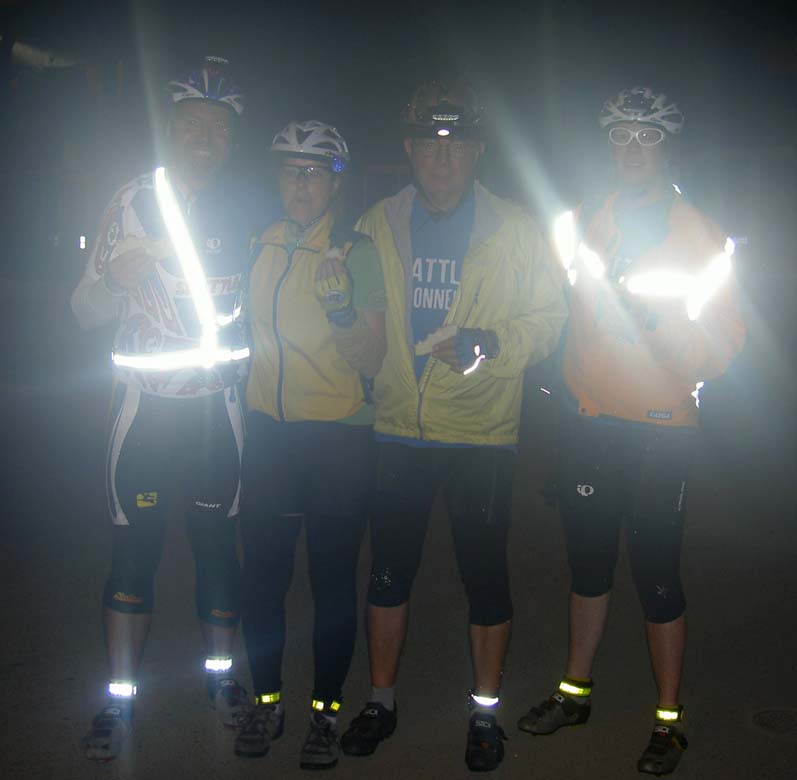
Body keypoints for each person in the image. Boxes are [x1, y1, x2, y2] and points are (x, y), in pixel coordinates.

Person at [339, 79, 567, 772]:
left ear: (477, 151)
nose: (442, 158)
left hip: (480, 431)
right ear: (409, 149)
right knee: (386, 575)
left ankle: (484, 712)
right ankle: (380, 701)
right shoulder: (375, 222)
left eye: (456, 144)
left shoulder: (516, 227)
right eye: (429, 144)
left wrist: (491, 342)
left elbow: (549, 320)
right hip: (398, 426)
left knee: (486, 578)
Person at [516, 86, 746, 775]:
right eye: (620, 136)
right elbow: (550, 306)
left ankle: (668, 721)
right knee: (587, 568)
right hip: (589, 422)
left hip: (661, 431)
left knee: (656, 576)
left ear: (668, 149)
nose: (632, 150)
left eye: (647, 137)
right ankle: (574, 692)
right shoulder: (580, 222)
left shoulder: (703, 238)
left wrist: (648, 318)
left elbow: (718, 352)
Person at [73, 56, 276, 763]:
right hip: (145, 416)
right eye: (192, 124)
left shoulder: (249, 204)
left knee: (219, 552)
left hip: (219, 415)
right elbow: (82, 310)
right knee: (134, 557)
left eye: (218, 127)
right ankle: (119, 699)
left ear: (232, 137)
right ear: (169, 128)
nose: (205, 139)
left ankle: (221, 685)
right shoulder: (132, 201)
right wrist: (113, 283)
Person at [233, 120, 387, 770]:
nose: (302, 183)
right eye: (291, 170)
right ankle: (267, 700)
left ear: (335, 183)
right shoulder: (256, 245)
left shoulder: (355, 251)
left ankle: (324, 711)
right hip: (268, 432)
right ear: (277, 178)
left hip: (335, 438)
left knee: (330, 581)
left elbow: (373, 357)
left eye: (315, 171)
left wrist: (343, 310)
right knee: (263, 577)